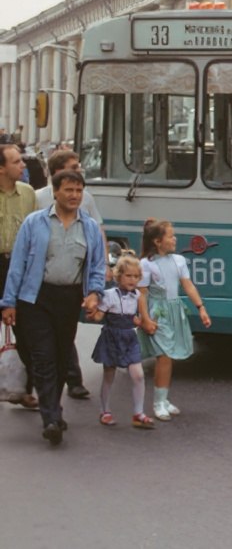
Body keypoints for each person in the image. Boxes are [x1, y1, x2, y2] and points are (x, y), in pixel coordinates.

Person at [0, 169, 106, 445]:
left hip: (69, 299)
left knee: (60, 358)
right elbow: (18, 265)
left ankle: (53, 409)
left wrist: (94, 294)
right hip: (35, 299)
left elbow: (96, 266)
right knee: (44, 357)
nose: (74, 196)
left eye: (79, 191)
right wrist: (8, 302)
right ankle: (50, 419)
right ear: (55, 191)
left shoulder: (90, 227)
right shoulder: (35, 223)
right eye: (68, 190)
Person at [36, 149, 105, 400]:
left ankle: (70, 381)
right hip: (43, 280)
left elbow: (97, 230)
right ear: (57, 176)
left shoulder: (85, 197)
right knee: (45, 340)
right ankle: (53, 386)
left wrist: (103, 264)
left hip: (74, 276)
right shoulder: (37, 199)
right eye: (73, 168)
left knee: (65, 333)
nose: (78, 174)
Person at [137, 218, 211, 421]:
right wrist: (145, 319)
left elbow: (188, 286)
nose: (175, 239)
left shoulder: (179, 260)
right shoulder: (146, 264)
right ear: (157, 241)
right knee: (164, 355)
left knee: (168, 357)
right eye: (170, 236)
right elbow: (142, 294)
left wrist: (201, 308)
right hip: (157, 312)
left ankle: (164, 398)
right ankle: (158, 402)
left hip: (174, 310)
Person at [88, 254, 154, 429]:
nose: (132, 280)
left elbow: (135, 318)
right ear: (119, 276)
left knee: (138, 374)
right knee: (109, 375)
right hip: (111, 337)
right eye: (128, 276)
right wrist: (93, 312)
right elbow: (100, 316)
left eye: (136, 276)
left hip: (129, 338)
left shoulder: (138, 296)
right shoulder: (109, 295)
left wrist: (143, 323)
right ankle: (105, 410)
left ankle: (138, 413)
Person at [0, 143, 38, 409]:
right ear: (2, 168)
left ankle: (24, 389)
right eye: (16, 162)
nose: (23, 165)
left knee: (26, 331)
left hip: (19, 266)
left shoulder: (27, 193)